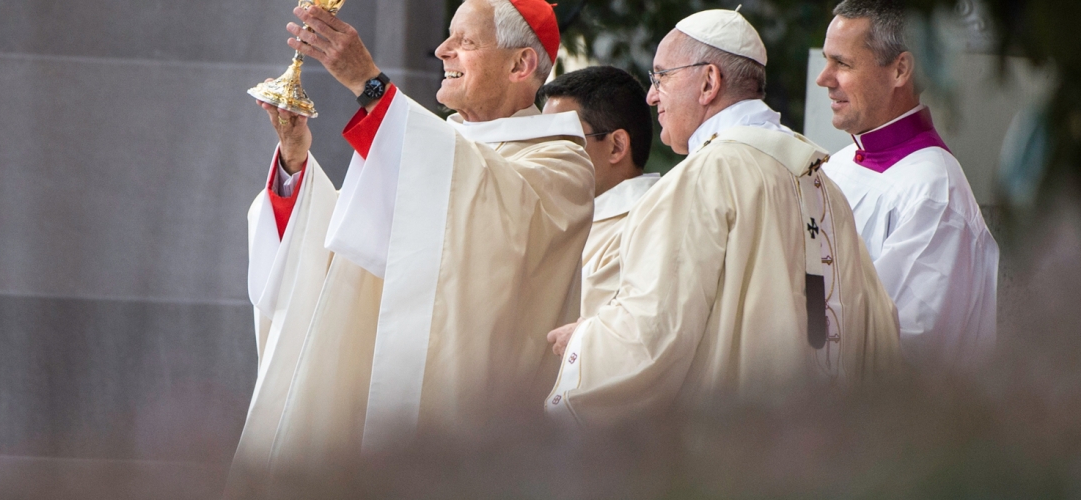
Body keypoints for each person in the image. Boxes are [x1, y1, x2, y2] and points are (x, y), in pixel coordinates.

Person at [228, 0, 594, 494]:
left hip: (472, 435)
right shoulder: (438, 148)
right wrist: (295, 167)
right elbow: (350, 256)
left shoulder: (559, 163)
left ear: (520, 64)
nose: (443, 50)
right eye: (447, 37)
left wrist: (371, 86)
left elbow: (487, 233)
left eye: (465, 41)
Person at [544, 8, 902, 427]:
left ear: (709, 82)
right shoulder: (820, 181)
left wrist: (583, 343)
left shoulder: (703, 179)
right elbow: (876, 327)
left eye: (661, 77)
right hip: (821, 447)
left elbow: (654, 337)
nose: (651, 96)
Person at [816, 0, 998, 372]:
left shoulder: (933, 192)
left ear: (900, 69)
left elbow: (904, 350)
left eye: (843, 64)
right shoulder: (835, 165)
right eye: (826, 60)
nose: (824, 78)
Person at [539, 66, 659, 320]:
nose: (544, 154)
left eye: (562, 141)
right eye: (540, 141)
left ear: (616, 146)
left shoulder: (645, 223)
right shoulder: (554, 213)